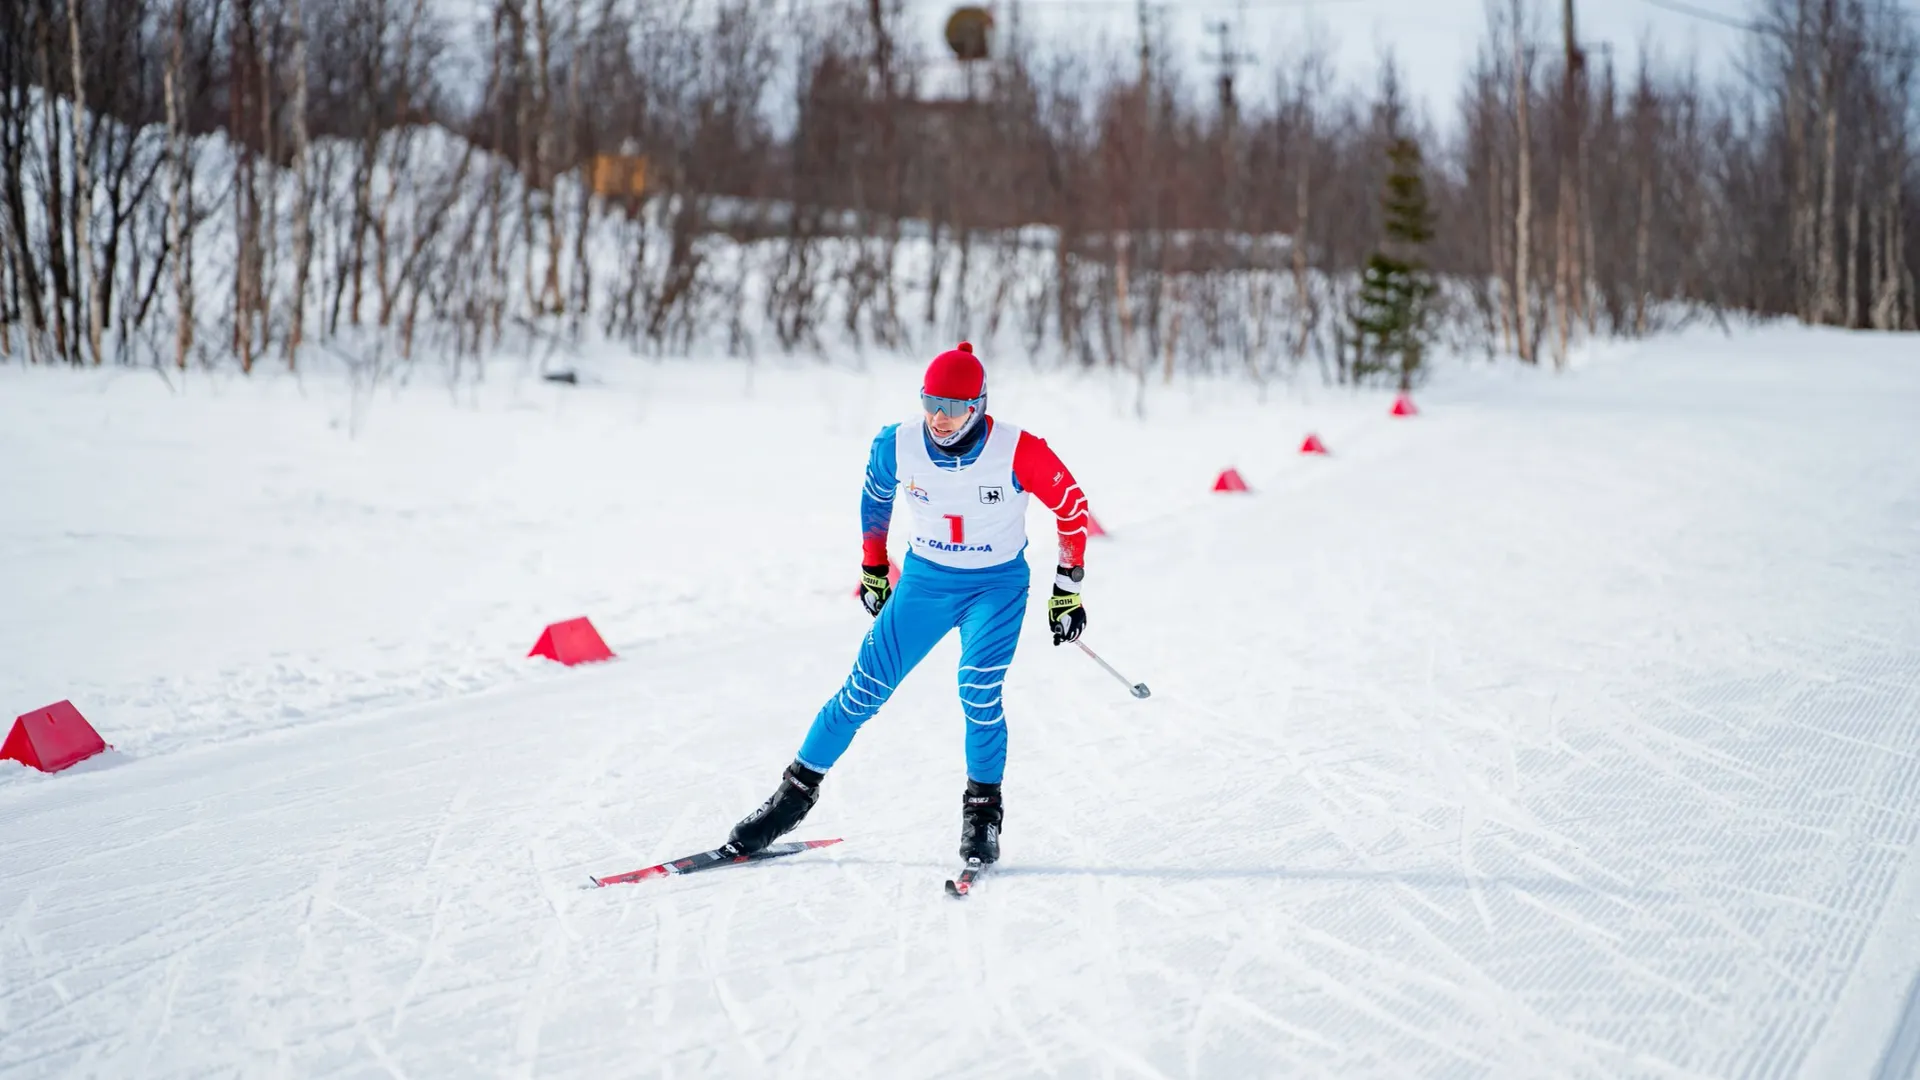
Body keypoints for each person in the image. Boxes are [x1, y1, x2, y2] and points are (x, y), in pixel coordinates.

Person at [723, 342, 1092, 866]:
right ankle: (790, 799)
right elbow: (875, 497)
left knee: (977, 690)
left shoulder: (1020, 449)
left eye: (956, 407)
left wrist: (1067, 589)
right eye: (931, 403)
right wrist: (873, 565)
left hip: (996, 586)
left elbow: (1072, 507)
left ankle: (983, 813)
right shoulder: (896, 444)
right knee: (862, 691)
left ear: (980, 405)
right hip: (926, 583)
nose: (941, 419)